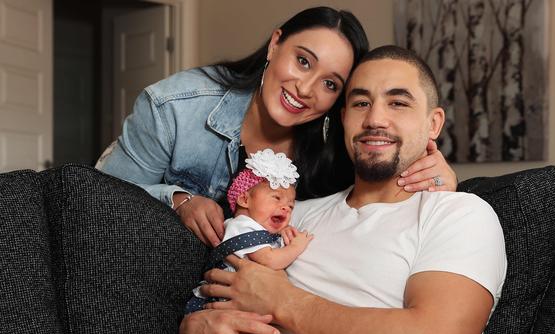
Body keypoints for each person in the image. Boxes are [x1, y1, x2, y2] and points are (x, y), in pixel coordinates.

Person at [180, 46, 507, 334]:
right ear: (344, 118)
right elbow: (222, 284)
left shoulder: (460, 216)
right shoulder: (294, 214)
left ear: (433, 123)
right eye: (362, 102)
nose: (375, 118)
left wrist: (281, 299)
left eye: (398, 103)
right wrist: (192, 333)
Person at [96, 7, 458, 248]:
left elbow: (377, 199)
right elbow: (96, 201)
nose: (305, 89)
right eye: (303, 61)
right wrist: (177, 200)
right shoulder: (174, 106)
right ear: (275, 44)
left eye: (330, 84)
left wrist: (437, 179)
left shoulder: (338, 148)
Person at [185, 149, 313, 315]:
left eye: (291, 206)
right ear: (244, 199)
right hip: (223, 301)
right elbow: (268, 260)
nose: (285, 208)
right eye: (276, 198)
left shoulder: (257, 229)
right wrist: (295, 247)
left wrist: (282, 232)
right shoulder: (241, 225)